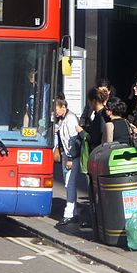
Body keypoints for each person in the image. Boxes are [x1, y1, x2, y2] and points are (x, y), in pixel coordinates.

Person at [53, 97, 84, 228]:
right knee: (68, 183)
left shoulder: (70, 119)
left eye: (56, 109)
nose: (55, 112)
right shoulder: (62, 119)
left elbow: (74, 139)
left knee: (69, 183)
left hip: (72, 156)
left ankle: (69, 214)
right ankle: (74, 212)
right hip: (66, 155)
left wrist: (71, 158)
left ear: (63, 107)